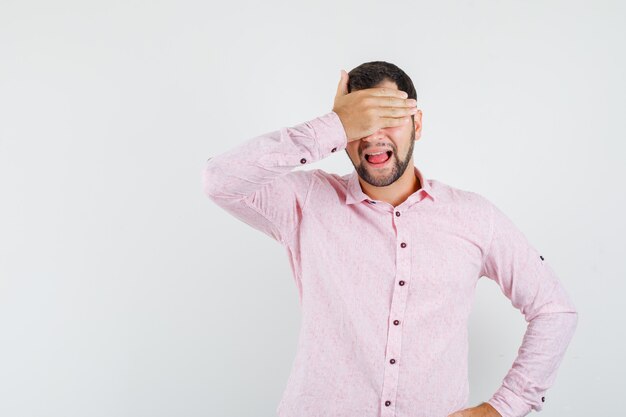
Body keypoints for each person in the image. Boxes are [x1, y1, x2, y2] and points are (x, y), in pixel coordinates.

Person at [202, 61, 578, 417]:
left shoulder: (474, 216)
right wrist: (332, 126)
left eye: (388, 118)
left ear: (417, 124)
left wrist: (505, 406)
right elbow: (220, 180)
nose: (372, 136)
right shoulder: (307, 202)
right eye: (359, 123)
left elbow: (554, 309)